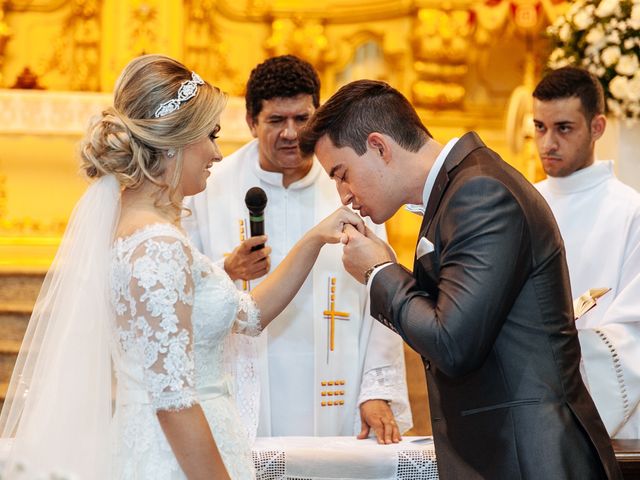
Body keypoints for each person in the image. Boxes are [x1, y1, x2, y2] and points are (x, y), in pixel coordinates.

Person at [0, 54, 363, 480]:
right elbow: (174, 402)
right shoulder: (157, 246)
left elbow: (249, 316)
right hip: (177, 462)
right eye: (208, 136)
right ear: (173, 142)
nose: (215, 152)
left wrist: (315, 238)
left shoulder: (142, 232)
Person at [298, 79, 622, 479]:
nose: (343, 194)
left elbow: (453, 344)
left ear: (380, 147)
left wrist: (379, 272)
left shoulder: (479, 192)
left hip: (530, 458)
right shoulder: (457, 190)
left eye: (342, 173)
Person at [184, 55, 411, 441]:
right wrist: (227, 268)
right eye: (276, 120)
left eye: (301, 118)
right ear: (252, 122)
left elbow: (383, 286)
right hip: (241, 381)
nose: (290, 133)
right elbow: (180, 289)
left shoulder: (352, 183)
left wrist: (377, 390)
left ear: (317, 115)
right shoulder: (209, 187)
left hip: (339, 385)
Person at [532, 66, 640, 439]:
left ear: (597, 127)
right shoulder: (521, 205)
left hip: (606, 424)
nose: (548, 143)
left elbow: (635, 332)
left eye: (564, 128)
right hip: (526, 407)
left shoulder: (631, 212)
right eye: (539, 127)